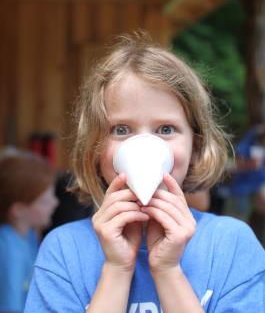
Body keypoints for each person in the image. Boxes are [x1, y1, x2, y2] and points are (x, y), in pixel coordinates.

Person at [25, 34, 265, 313]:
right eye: (122, 130)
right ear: (94, 150)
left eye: (165, 129)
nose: (144, 147)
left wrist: (168, 270)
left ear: (195, 147)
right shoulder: (64, 251)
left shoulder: (231, 245)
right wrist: (116, 268)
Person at [0, 147, 58, 312]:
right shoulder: (9, 251)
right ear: (18, 210)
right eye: (45, 201)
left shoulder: (29, 234)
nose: (55, 203)